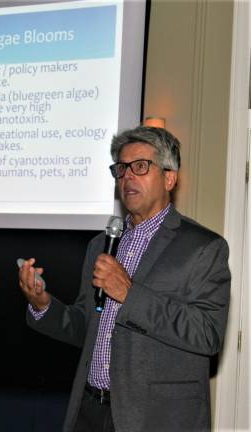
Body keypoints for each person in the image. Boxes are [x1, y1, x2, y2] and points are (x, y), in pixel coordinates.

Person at [18, 126, 231, 432]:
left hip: (155, 418)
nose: (127, 177)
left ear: (169, 178)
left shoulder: (203, 248)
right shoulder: (101, 245)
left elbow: (207, 334)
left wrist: (130, 294)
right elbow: (86, 326)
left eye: (140, 166)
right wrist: (43, 305)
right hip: (90, 410)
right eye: (121, 169)